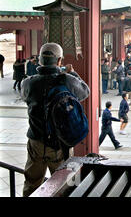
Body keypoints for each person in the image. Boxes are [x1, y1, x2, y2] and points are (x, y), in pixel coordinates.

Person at [21, 43, 90, 197]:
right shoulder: (66, 80)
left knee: (32, 183)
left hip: (36, 141)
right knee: (65, 185)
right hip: (60, 144)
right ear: (59, 60)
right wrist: (73, 73)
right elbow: (85, 91)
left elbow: (24, 96)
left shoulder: (28, 82)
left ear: (39, 60)